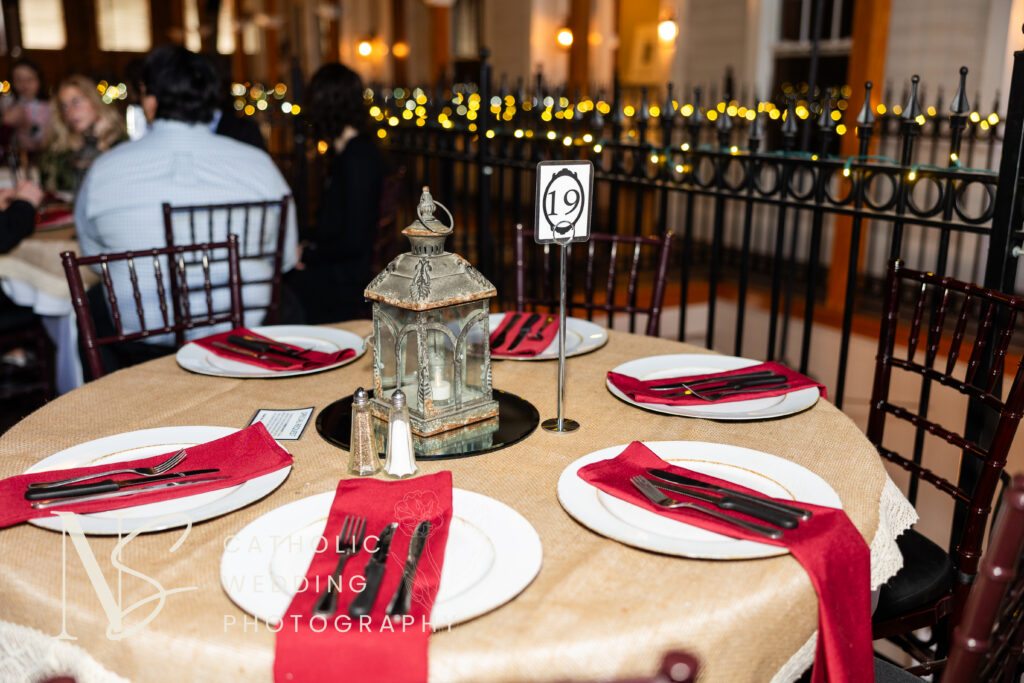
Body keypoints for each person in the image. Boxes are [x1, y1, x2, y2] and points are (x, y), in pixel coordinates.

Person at [74, 45, 298, 364]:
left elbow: (96, 259)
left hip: (142, 342)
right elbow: (284, 258)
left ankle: (109, 395)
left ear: (150, 100)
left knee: (94, 302)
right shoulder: (259, 165)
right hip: (243, 334)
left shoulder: (104, 170)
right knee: (287, 298)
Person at [285, 63, 385, 323]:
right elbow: (333, 225)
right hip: (338, 267)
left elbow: (354, 239)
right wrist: (303, 240)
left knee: (282, 291)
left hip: (344, 280)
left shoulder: (358, 157)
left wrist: (307, 255)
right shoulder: (348, 153)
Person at [40, 75, 127, 197]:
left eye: (76, 102)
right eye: (64, 106)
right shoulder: (59, 149)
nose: (70, 111)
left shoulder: (120, 143)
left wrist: (101, 144)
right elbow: (50, 189)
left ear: (94, 101)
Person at [1, 59, 52, 158]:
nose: (24, 85)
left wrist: (25, 124)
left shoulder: (49, 107)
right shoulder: (6, 103)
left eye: (29, 79)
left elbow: (48, 142)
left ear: (39, 80)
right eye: (18, 80)